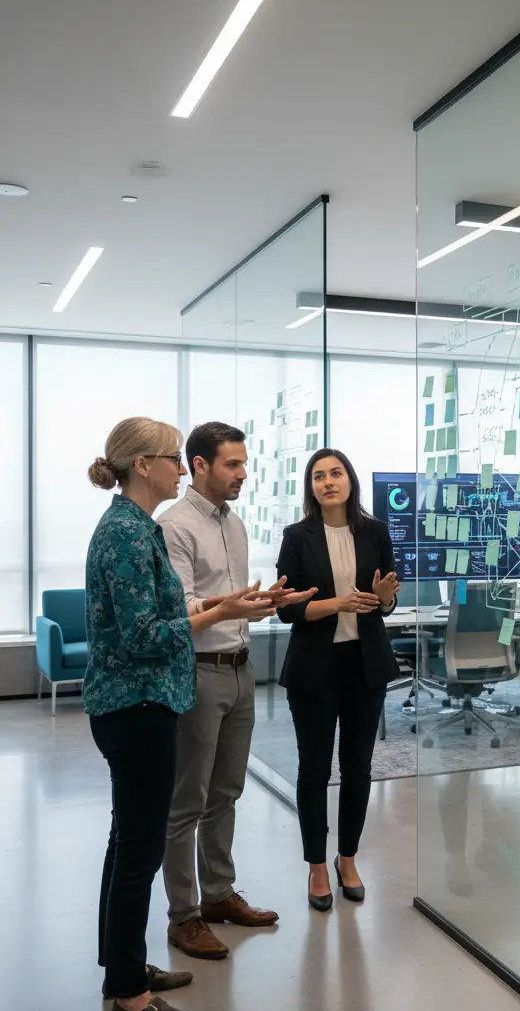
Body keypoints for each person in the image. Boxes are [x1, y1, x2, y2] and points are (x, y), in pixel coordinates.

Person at [85, 417, 273, 1011]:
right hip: (136, 704)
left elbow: (169, 606)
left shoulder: (134, 527)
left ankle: (123, 966)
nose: (179, 466)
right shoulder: (128, 533)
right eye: (172, 457)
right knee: (140, 849)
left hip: (145, 701)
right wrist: (219, 614)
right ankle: (130, 994)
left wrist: (235, 603)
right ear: (143, 465)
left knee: (128, 844)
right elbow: (144, 634)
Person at [158, 422, 314, 959]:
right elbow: (179, 610)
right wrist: (232, 605)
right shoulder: (173, 525)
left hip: (242, 670)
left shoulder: (237, 523)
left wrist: (262, 600)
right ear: (198, 465)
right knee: (188, 801)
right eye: (232, 464)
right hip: (199, 671)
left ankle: (219, 895)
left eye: (245, 464)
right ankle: (184, 916)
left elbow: (229, 601)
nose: (243, 474)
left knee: (226, 794)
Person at [275, 448, 401, 911]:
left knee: (358, 770)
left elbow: (382, 602)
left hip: (364, 665)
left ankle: (347, 859)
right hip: (314, 667)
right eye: (318, 476)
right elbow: (287, 608)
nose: (328, 482)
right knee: (314, 771)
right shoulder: (297, 536)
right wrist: (337, 604)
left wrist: (383, 599)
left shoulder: (375, 532)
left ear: (350, 480)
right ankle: (316, 866)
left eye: (336, 473)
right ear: (311, 487)